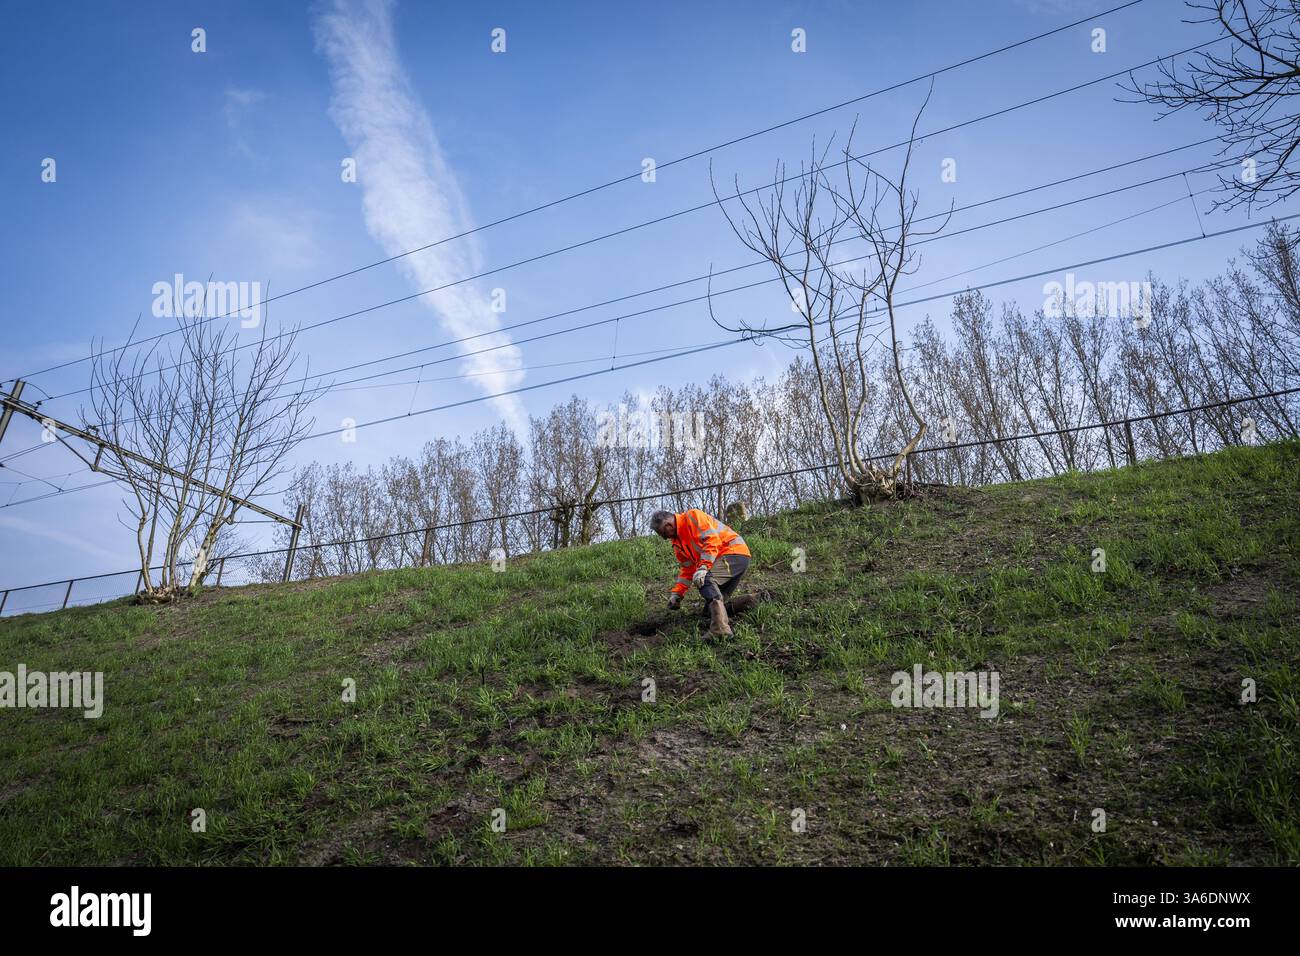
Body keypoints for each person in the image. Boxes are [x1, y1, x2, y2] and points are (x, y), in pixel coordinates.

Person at [650, 508, 750, 636]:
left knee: (705, 580)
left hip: (734, 552)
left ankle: (721, 629)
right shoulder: (677, 543)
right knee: (710, 611)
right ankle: (753, 601)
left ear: (668, 525)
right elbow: (687, 569)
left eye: (663, 534)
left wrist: (703, 568)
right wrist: (677, 594)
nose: (664, 538)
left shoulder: (692, 516)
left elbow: (712, 540)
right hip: (725, 560)